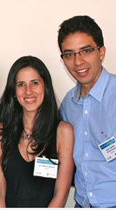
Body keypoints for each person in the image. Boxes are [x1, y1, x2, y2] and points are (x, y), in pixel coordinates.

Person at [0, 56, 74, 207]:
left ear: (45, 87)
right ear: (14, 91)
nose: (28, 91)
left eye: (34, 83)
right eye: (21, 84)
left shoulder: (63, 132)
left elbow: (61, 194)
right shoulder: (1, 131)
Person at [58, 15, 116, 208]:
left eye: (86, 51)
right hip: (82, 204)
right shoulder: (68, 104)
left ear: (101, 52)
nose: (77, 61)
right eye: (69, 54)